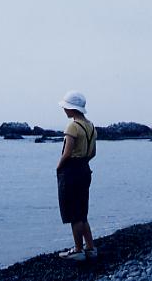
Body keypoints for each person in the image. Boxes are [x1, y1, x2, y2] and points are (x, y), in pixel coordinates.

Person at [56, 91, 97, 261]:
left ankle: (78, 250)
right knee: (82, 211)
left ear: (72, 108)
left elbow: (67, 153)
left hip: (72, 170)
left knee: (73, 213)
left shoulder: (73, 126)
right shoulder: (91, 126)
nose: (64, 110)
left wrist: (58, 167)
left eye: (66, 107)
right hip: (85, 169)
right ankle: (90, 248)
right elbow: (93, 152)